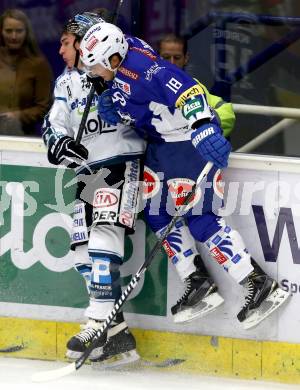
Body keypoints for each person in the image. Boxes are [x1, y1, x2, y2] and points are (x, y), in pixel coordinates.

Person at [79, 21, 291, 330]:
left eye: (97, 65)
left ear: (113, 58)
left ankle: (258, 283)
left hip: (187, 146)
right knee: (155, 213)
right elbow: (129, 93)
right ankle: (197, 281)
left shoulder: (146, 70)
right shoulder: (120, 56)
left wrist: (203, 127)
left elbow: (189, 91)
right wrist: (114, 101)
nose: (93, 71)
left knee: (200, 217)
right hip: (161, 147)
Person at [42, 12, 145, 367]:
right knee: (83, 254)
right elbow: (53, 124)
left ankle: (96, 322)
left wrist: (113, 88)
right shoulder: (65, 84)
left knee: (104, 236)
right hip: (90, 172)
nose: (60, 48)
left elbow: (146, 113)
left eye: (66, 42)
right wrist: (59, 143)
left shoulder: (120, 72)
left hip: (122, 162)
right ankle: (117, 336)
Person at [157, 33, 235, 139]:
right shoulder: (144, 84)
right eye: (166, 57)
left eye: (177, 58)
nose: (171, 63)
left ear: (186, 58)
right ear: (156, 58)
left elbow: (226, 112)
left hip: (183, 151)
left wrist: (204, 126)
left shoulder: (193, 86)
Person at [0, 8, 52, 136]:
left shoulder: (38, 64)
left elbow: (44, 108)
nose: (13, 36)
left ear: (26, 32)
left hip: (22, 137)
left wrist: (18, 116)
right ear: (1, 32)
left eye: (19, 31)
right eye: (8, 31)